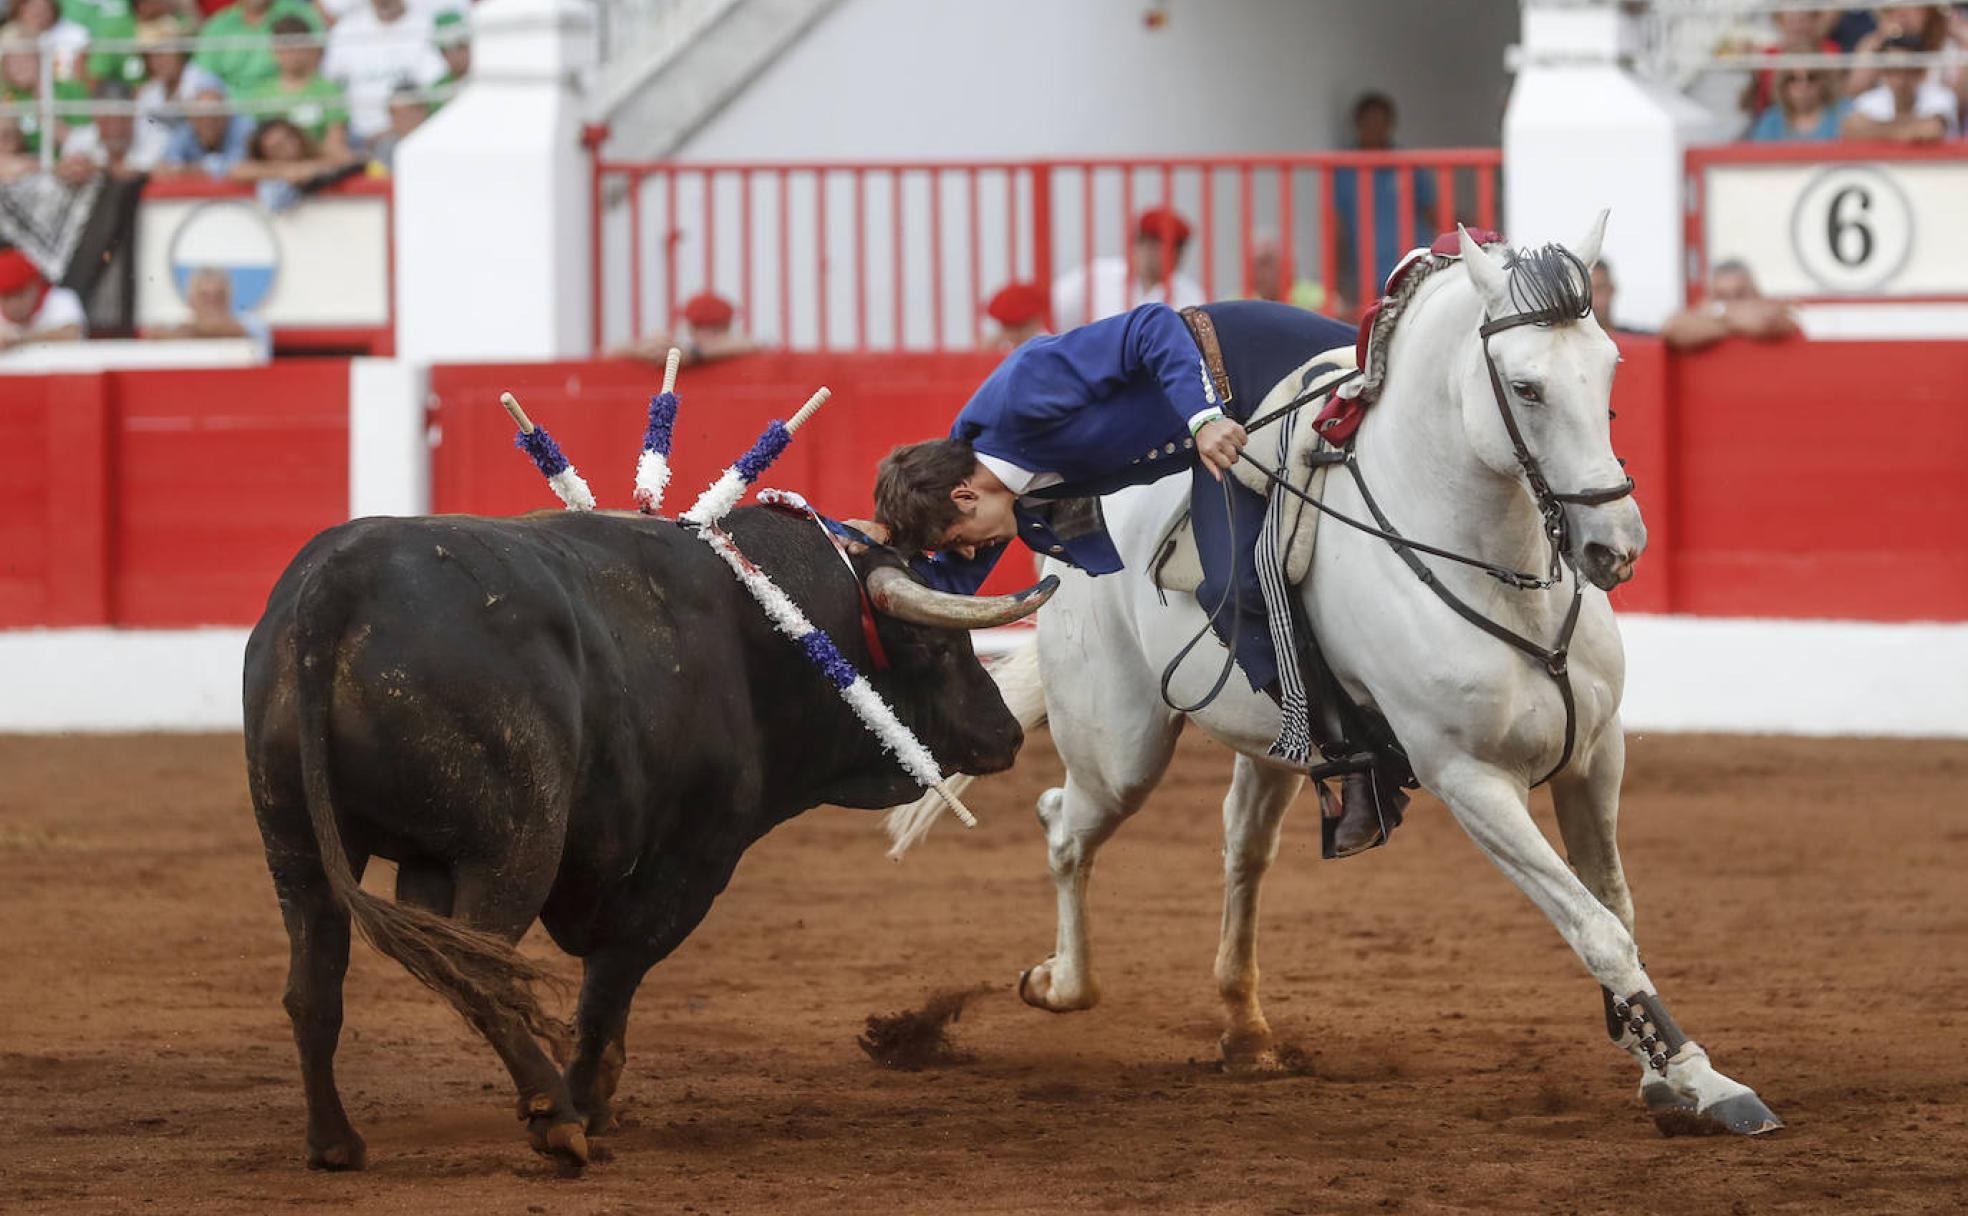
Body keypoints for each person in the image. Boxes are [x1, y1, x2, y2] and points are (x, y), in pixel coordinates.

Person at [856, 299, 1407, 858]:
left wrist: (1202, 417)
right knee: (1230, 588)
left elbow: (1152, 326)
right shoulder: (973, 482)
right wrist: (870, 559)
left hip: (1251, 370)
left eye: (959, 541)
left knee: (1242, 582)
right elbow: (945, 587)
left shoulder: (1020, 391)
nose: (969, 553)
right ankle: (1359, 758)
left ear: (964, 497)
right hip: (1220, 434)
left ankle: (1363, 753)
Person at [1332, 92, 1438, 299]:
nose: (1374, 128)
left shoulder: (1408, 165)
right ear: (1358, 124)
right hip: (1368, 276)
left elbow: (1433, 214)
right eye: (1369, 122)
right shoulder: (1343, 169)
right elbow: (1337, 227)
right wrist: (1338, 281)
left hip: (1413, 269)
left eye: (1380, 122)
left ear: (1390, 125)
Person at [1050, 206, 1205, 327]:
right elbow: (1051, 312)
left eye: (1178, 247)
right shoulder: (1098, 276)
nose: (1171, 254)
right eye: (1158, 245)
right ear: (1139, 243)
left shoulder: (1191, 295)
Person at [321, 0, 446, 147]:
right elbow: (328, 83)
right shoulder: (346, 30)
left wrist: (391, 131)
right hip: (356, 137)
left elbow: (434, 89)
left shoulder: (426, 26)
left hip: (412, 133)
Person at [240, 13, 353, 159]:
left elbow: (337, 147)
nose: (291, 54)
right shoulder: (260, 94)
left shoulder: (328, 90)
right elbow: (249, 152)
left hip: (317, 168)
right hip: (273, 171)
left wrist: (299, 153)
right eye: (285, 47)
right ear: (274, 50)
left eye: (297, 46)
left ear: (309, 48)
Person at [1659, 259, 1799, 352]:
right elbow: (1673, 330)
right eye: (1722, 297)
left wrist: (1718, 315)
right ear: (1707, 299)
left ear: (1757, 294)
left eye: (1740, 295)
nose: (1732, 304)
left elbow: (1768, 322)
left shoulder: (1779, 317)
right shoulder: (1694, 319)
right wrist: (1732, 318)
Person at [1842, 33, 1960, 140]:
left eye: (1908, 70)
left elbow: (1932, 130)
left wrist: (1874, 129)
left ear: (1922, 71)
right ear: (1883, 72)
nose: (1901, 79)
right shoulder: (1869, 99)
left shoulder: (1941, 95)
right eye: (1893, 70)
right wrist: (1909, 130)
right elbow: (1850, 128)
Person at [195, 0, 325, 95]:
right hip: (232, 114)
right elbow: (203, 76)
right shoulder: (218, 25)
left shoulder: (300, 13)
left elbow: (316, 59)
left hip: (288, 103)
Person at [607, 290, 761, 366]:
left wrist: (694, 355)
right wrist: (643, 350)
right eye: (699, 327)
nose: (705, 334)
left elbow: (753, 345)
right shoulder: (679, 345)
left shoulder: (739, 347)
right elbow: (609, 351)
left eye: (713, 328)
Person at [149, 265, 271, 357]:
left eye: (219, 296)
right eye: (205, 296)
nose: (212, 303)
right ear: (191, 300)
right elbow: (154, 334)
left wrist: (183, 334)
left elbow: (233, 331)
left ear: (229, 297)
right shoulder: (177, 328)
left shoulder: (253, 324)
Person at [57, 78, 160, 178]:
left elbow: (153, 170)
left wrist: (98, 169)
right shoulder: (78, 139)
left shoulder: (153, 137)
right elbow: (65, 171)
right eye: (107, 118)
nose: (114, 127)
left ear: (133, 115)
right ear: (95, 116)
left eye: (121, 117)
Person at [0, 246, 87, 349]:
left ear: (35, 286)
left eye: (19, 295)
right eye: (6, 297)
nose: (14, 304)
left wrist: (20, 340)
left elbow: (71, 334)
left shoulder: (61, 299)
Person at [158, 85, 253, 177]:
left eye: (214, 116)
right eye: (201, 117)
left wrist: (186, 170)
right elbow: (164, 167)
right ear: (192, 119)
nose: (208, 122)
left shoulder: (242, 126)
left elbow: (236, 169)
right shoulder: (186, 129)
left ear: (227, 116)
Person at [1749, 69, 1849, 140]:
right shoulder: (1771, 121)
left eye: (1811, 78)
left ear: (1824, 82)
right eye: (1793, 79)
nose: (1803, 86)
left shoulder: (1843, 113)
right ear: (1783, 85)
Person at [982, 281, 1048, 351]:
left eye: (1021, 326)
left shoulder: (1048, 346)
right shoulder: (1001, 347)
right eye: (1008, 328)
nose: (1014, 335)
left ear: (1035, 321)